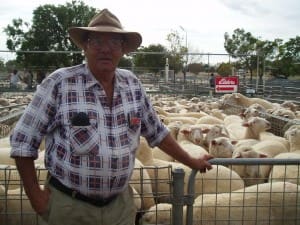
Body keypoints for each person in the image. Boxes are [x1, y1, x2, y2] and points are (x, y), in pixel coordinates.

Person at [10, 8, 213, 225]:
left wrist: (191, 161)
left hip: (120, 207)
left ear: (123, 49)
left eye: (115, 43)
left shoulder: (132, 85)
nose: (106, 49)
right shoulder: (60, 83)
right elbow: (23, 141)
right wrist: (36, 198)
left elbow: (157, 132)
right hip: (69, 207)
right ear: (85, 46)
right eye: (97, 41)